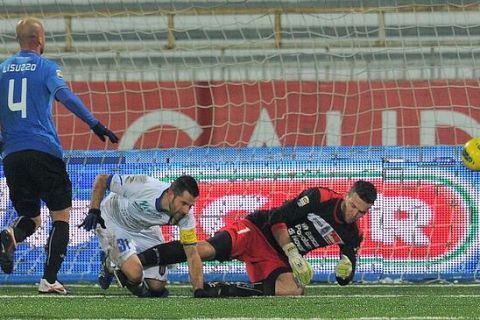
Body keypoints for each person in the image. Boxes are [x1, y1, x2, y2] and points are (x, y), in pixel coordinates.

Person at [0, 17, 118, 295]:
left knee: (31, 217)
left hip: (12, 155)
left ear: (19, 41)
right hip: (44, 151)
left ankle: (8, 236)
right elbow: (67, 97)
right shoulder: (46, 67)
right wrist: (94, 124)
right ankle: (49, 279)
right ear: (40, 40)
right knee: (60, 217)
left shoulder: (2, 70)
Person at [137, 180, 377, 297]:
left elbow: (345, 274)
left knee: (294, 290)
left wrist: (345, 269)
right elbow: (276, 218)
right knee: (204, 250)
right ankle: (140, 260)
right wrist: (293, 253)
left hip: (275, 258)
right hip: (256, 230)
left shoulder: (353, 233)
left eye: (361, 212)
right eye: (353, 206)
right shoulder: (320, 197)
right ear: (347, 195)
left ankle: (222, 290)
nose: (354, 214)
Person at [79, 173, 209, 298]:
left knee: (157, 286)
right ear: (170, 194)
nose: (186, 210)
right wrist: (94, 211)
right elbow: (102, 179)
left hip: (145, 228)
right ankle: (110, 262)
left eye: (190, 206)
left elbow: (192, 254)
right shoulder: (143, 186)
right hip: (114, 221)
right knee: (135, 274)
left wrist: (198, 289)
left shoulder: (186, 217)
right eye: (183, 203)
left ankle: (117, 263)